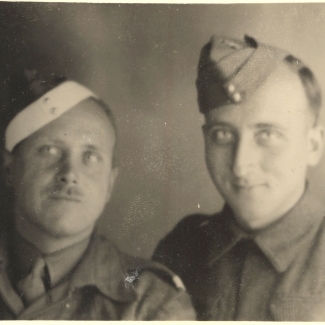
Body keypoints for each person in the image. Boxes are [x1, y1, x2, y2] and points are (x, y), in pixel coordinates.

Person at [0, 68, 195, 320]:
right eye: (49, 150)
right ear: (8, 169)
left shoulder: (152, 304)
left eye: (91, 157)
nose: (70, 173)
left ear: (110, 185)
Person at [153, 35, 325, 321]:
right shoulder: (183, 246)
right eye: (222, 135)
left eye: (268, 135)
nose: (240, 165)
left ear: (313, 146)